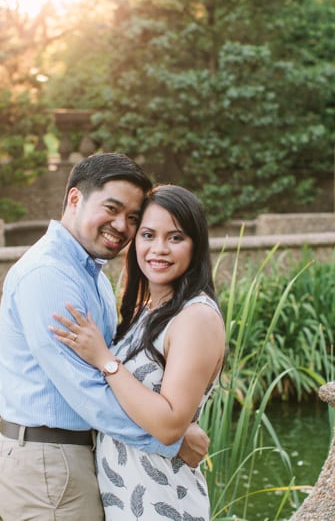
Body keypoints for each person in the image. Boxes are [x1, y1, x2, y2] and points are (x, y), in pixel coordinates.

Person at [0, 154, 210, 520]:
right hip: (49, 463)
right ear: (75, 199)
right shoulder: (49, 275)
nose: (121, 225)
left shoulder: (90, 274)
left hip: (69, 459)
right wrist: (169, 440)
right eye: (112, 208)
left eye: (133, 218)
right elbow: (86, 388)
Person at [50, 184, 226, 520]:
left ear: (196, 245)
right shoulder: (147, 311)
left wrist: (105, 360)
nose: (158, 249)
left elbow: (170, 424)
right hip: (126, 498)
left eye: (175, 238)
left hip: (163, 503)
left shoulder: (195, 316)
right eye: (148, 235)